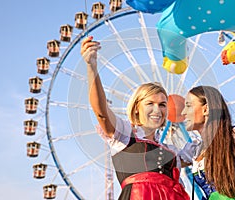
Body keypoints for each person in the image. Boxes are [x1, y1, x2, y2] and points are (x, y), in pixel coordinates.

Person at [81, 36, 198, 200]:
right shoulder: (124, 134)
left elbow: (206, 146)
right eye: (150, 103)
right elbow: (101, 112)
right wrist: (91, 67)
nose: (157, 110)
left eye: (163, 105)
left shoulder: (172, 151)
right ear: (136, 107)